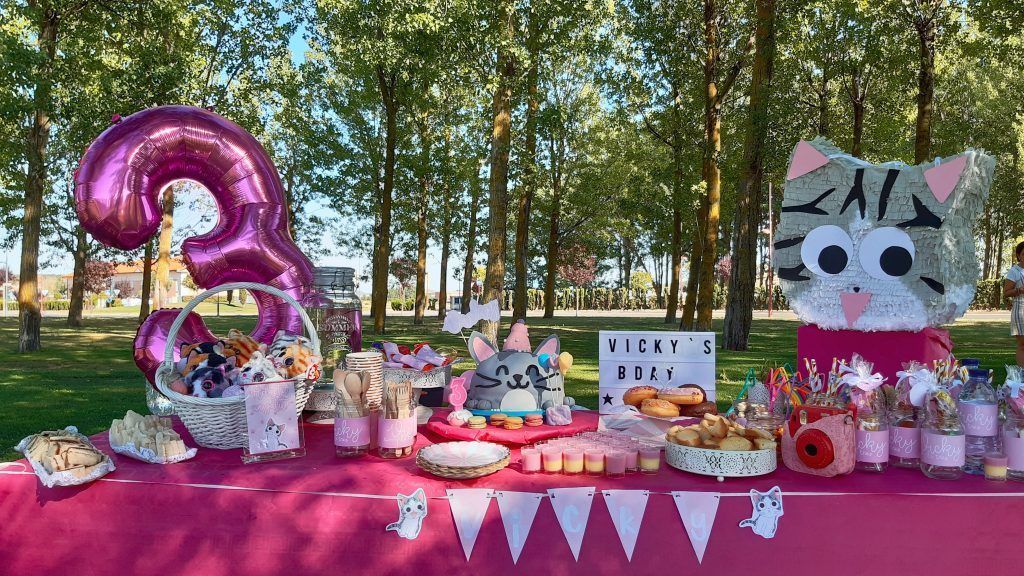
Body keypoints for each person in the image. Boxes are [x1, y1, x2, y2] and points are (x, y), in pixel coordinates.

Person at [1005, 241, 1024, 367]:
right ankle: (1022, 372)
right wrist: (1020, 290)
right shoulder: (1014, 271)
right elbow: (1006, 292)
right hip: (1021, 310)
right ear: (1019, 255)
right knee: (1023, 344)